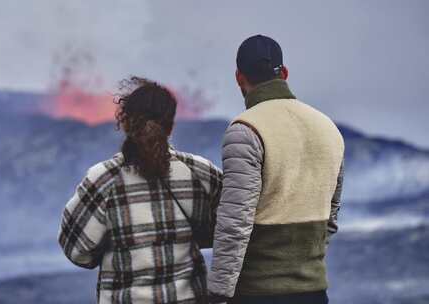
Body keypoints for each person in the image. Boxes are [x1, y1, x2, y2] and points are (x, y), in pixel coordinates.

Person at [58, 77, 223, 304]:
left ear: (125, 122)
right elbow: (229, 229)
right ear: (170, 125)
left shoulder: (104, 179)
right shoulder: (200, 172)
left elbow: (78, 252)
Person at [208, 35, 345, 304]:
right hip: (314, 292)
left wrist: (218, 293)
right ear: (284, 73)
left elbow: (235, 221)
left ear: (239, 77)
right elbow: (332, 213)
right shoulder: (328, 127)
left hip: (257, 292)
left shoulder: (245, 130)